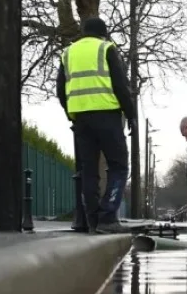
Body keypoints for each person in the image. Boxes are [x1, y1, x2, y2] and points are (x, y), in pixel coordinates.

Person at [56, 17, 137, 234]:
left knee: (88, 170)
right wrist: (131, 115)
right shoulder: (106, 48)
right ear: (104, 33)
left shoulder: (68, 53)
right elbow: (120, 85)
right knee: (119, 166)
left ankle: (92, 220)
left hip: (81, 119)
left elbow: (60, 90)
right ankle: (107, 217)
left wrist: (71, 113)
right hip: (107, 115)